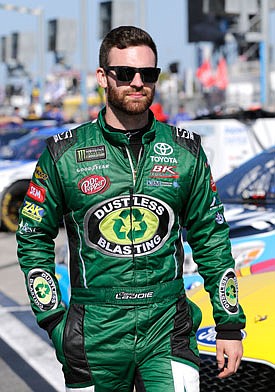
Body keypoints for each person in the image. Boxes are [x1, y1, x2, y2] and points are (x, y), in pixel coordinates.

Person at [16, 25, 246, 392]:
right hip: (94, 333)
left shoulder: (185, 151)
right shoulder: (64, 154)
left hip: (167, 327)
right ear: (103, 78)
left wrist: (229, 324)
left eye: (148, 74)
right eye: (125, 73)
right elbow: (32, 238)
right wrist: (53, 320)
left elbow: (212, 239)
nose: (137, 82)